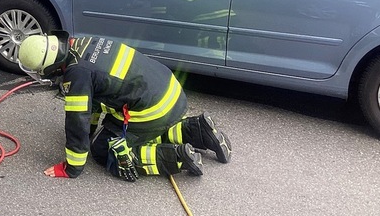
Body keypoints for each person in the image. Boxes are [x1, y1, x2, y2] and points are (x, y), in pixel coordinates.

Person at [17, 32, 233, 181]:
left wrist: (71, 167)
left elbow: (77, 120)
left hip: (152, 110)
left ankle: (177, 157)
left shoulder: (76, 75)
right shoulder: (82, 44)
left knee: (104, 150)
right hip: (171, 92)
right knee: (126, 132)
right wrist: (92, 130)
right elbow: (96, 100)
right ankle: (198, 130)